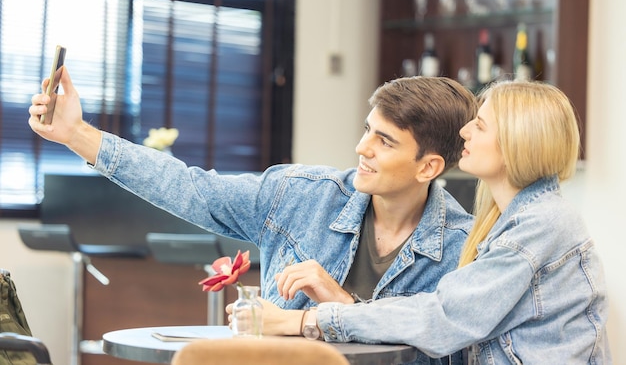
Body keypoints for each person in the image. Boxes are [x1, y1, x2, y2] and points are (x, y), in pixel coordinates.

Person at [29, 70, 476, 364]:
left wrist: (340, 304)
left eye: (385, 141)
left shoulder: (464, 247)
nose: (362, 149)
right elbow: (190, 188)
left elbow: (441, 352)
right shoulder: (300, 195)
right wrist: (76, 135)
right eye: (366, 131)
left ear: (429, 166)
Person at [259, 80, 612, 364]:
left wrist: (307, 321)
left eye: (480, 125)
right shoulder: (511, 221)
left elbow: (443, 316)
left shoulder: (541, 225)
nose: (464, 133)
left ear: (517, 144)